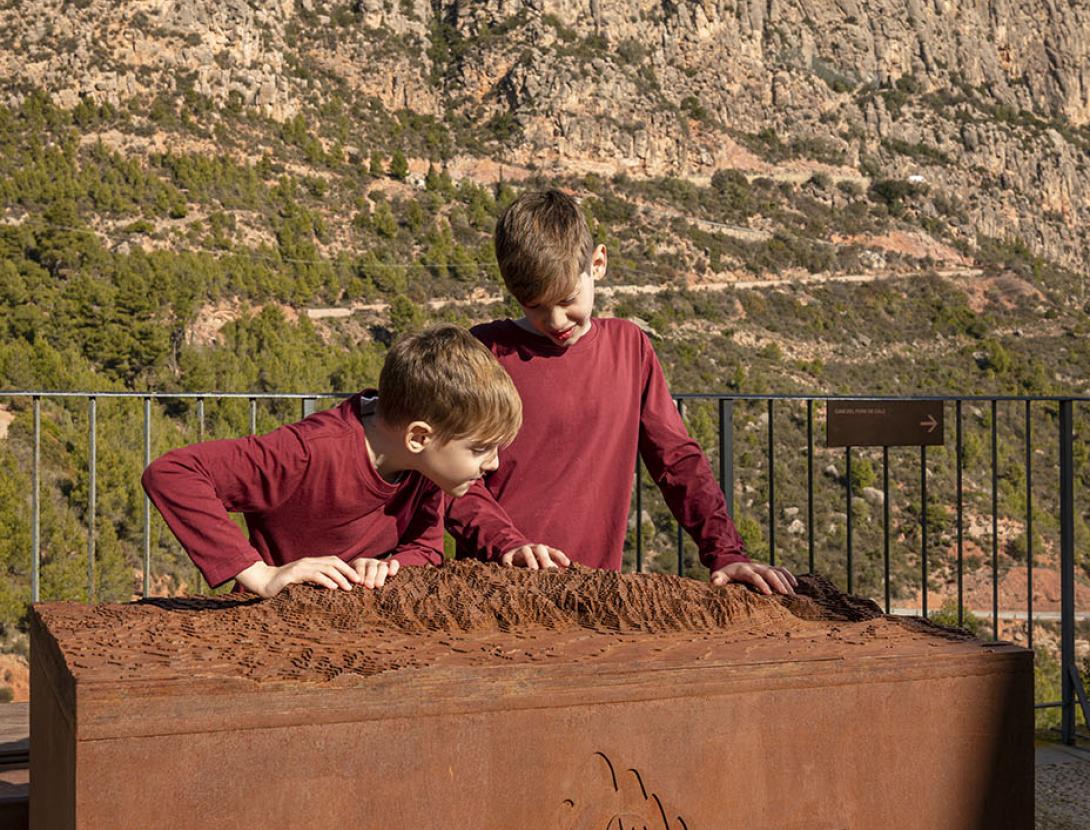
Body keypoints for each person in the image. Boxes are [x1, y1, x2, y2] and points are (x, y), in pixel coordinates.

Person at [446, 189, 796, 596]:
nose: (555, 320)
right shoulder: (483, 351)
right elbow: (446, 476)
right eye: (534, 306)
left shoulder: (631, 347)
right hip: (492, 589)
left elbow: (677, 461)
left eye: (566, 299)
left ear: (597, 263)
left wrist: (726, 552)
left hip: (596, 595)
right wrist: (508, 544)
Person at [142, 325, 522, 598]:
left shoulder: (423, 467)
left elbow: (426, 548)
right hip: (269, 631)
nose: (493, 464)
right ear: (419, 437)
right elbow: (174, 473)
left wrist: (389, 566)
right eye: (480, 449)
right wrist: (260, 575)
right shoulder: (309, 451)